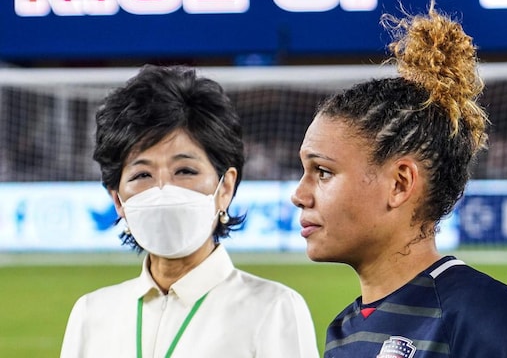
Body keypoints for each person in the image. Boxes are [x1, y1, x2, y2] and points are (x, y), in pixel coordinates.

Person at [290, 2, 507, 358]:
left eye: (323, 172)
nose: (299, 194)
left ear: (400, 183)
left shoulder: (477, 314)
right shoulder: (345, 332)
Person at [60, 65, 319, 357]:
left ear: (225, 187)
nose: (163, 190)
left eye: (184, 170)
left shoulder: (274, 309)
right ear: (118, 200)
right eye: (142, 175)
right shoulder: (90, 314)